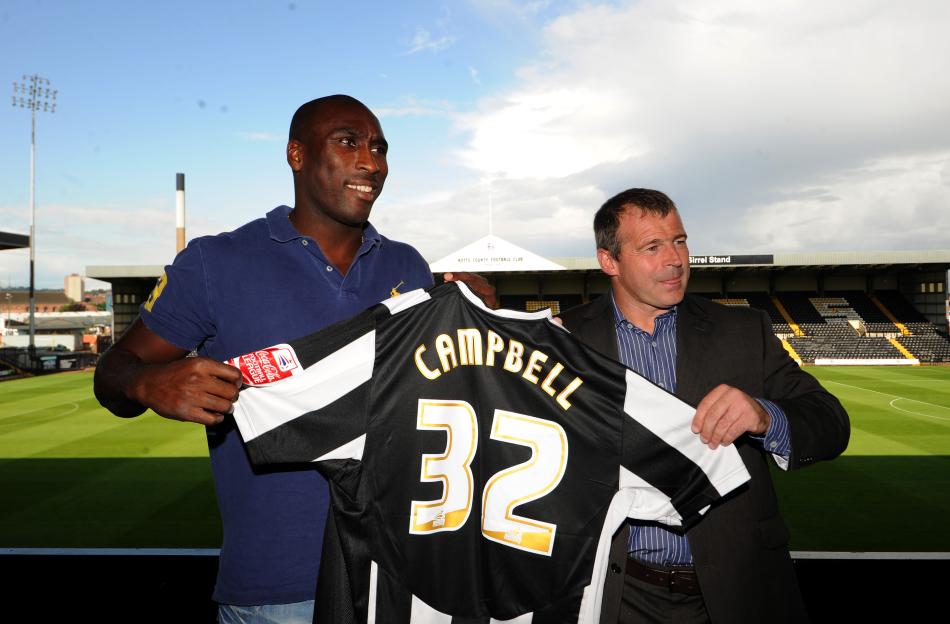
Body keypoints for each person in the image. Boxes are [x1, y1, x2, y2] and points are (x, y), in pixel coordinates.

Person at [94, 94, 496, 623]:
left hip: (403, 578)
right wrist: (147, 383)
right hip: (279, 591)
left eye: (379, 148)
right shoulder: (217, 263)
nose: (371, 162)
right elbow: (111, 374)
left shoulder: (408, 266)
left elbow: (446, 401)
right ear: (296, 154)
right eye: (348, 142)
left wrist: (484, 325)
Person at [558, 188, 849, 623]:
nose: (675, 259)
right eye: (652, 247)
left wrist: (766, 415)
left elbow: (831, 423)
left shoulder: (743, 331)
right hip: (614, 595)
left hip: (738, 591)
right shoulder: (563, 340)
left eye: (679, 240)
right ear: (609, 262)